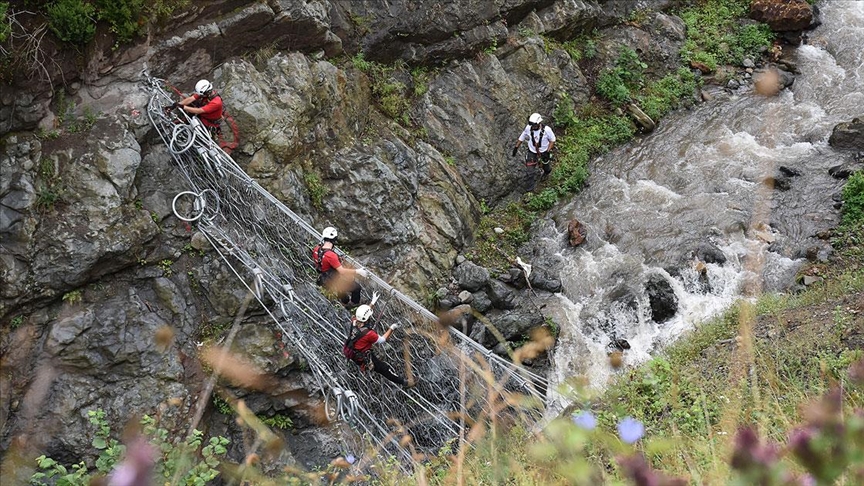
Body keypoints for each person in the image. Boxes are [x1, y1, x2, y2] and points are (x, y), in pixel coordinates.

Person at [343, 303, 414, 388]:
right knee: (384, 369)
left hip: (355, 353)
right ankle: (405, 383)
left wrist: (372, 304)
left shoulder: (354, 321)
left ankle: (405, 382)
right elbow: (382, 340)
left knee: (382, 367)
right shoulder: (369, 334)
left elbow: (362, 316)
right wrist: (392, 328)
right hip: (364, 357)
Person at [312, 226, 368, 308]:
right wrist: (358, 271)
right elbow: (341, 271)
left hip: (323, 277)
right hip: (334, 280)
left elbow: (319, 262)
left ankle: (344, 301)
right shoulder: (331, 255)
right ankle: (353, 304)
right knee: (357, 288)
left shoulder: (317, 249)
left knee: (341, 291)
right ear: (334, 239)